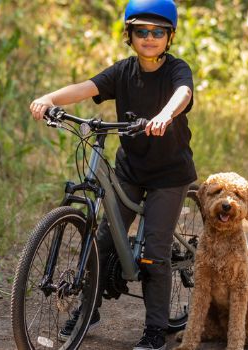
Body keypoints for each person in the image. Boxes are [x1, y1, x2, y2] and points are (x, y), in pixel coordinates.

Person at [29, 1, 195, 349]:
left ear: (169, 37)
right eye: (141, 31)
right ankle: (90, 309)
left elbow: (183, 94)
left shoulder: (176, 70)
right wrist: (48, 98)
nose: (149, 38)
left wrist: (165, 115)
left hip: (169, 174)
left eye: (158, 32)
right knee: (102, 242)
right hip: (131, 169)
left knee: (154, 253)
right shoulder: (123, 72)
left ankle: (155, 331)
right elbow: (85, 87)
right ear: (129, 35)